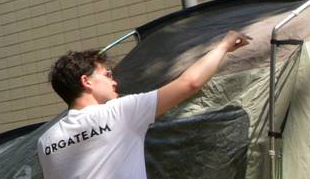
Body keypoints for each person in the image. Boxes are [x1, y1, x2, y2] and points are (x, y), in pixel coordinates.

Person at [35, 31, 252, 179]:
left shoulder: (46, 141)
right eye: (107, 75)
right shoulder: (119, 113)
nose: (114, 82)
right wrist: (224, 46)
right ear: (86, 81)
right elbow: (189, 83)